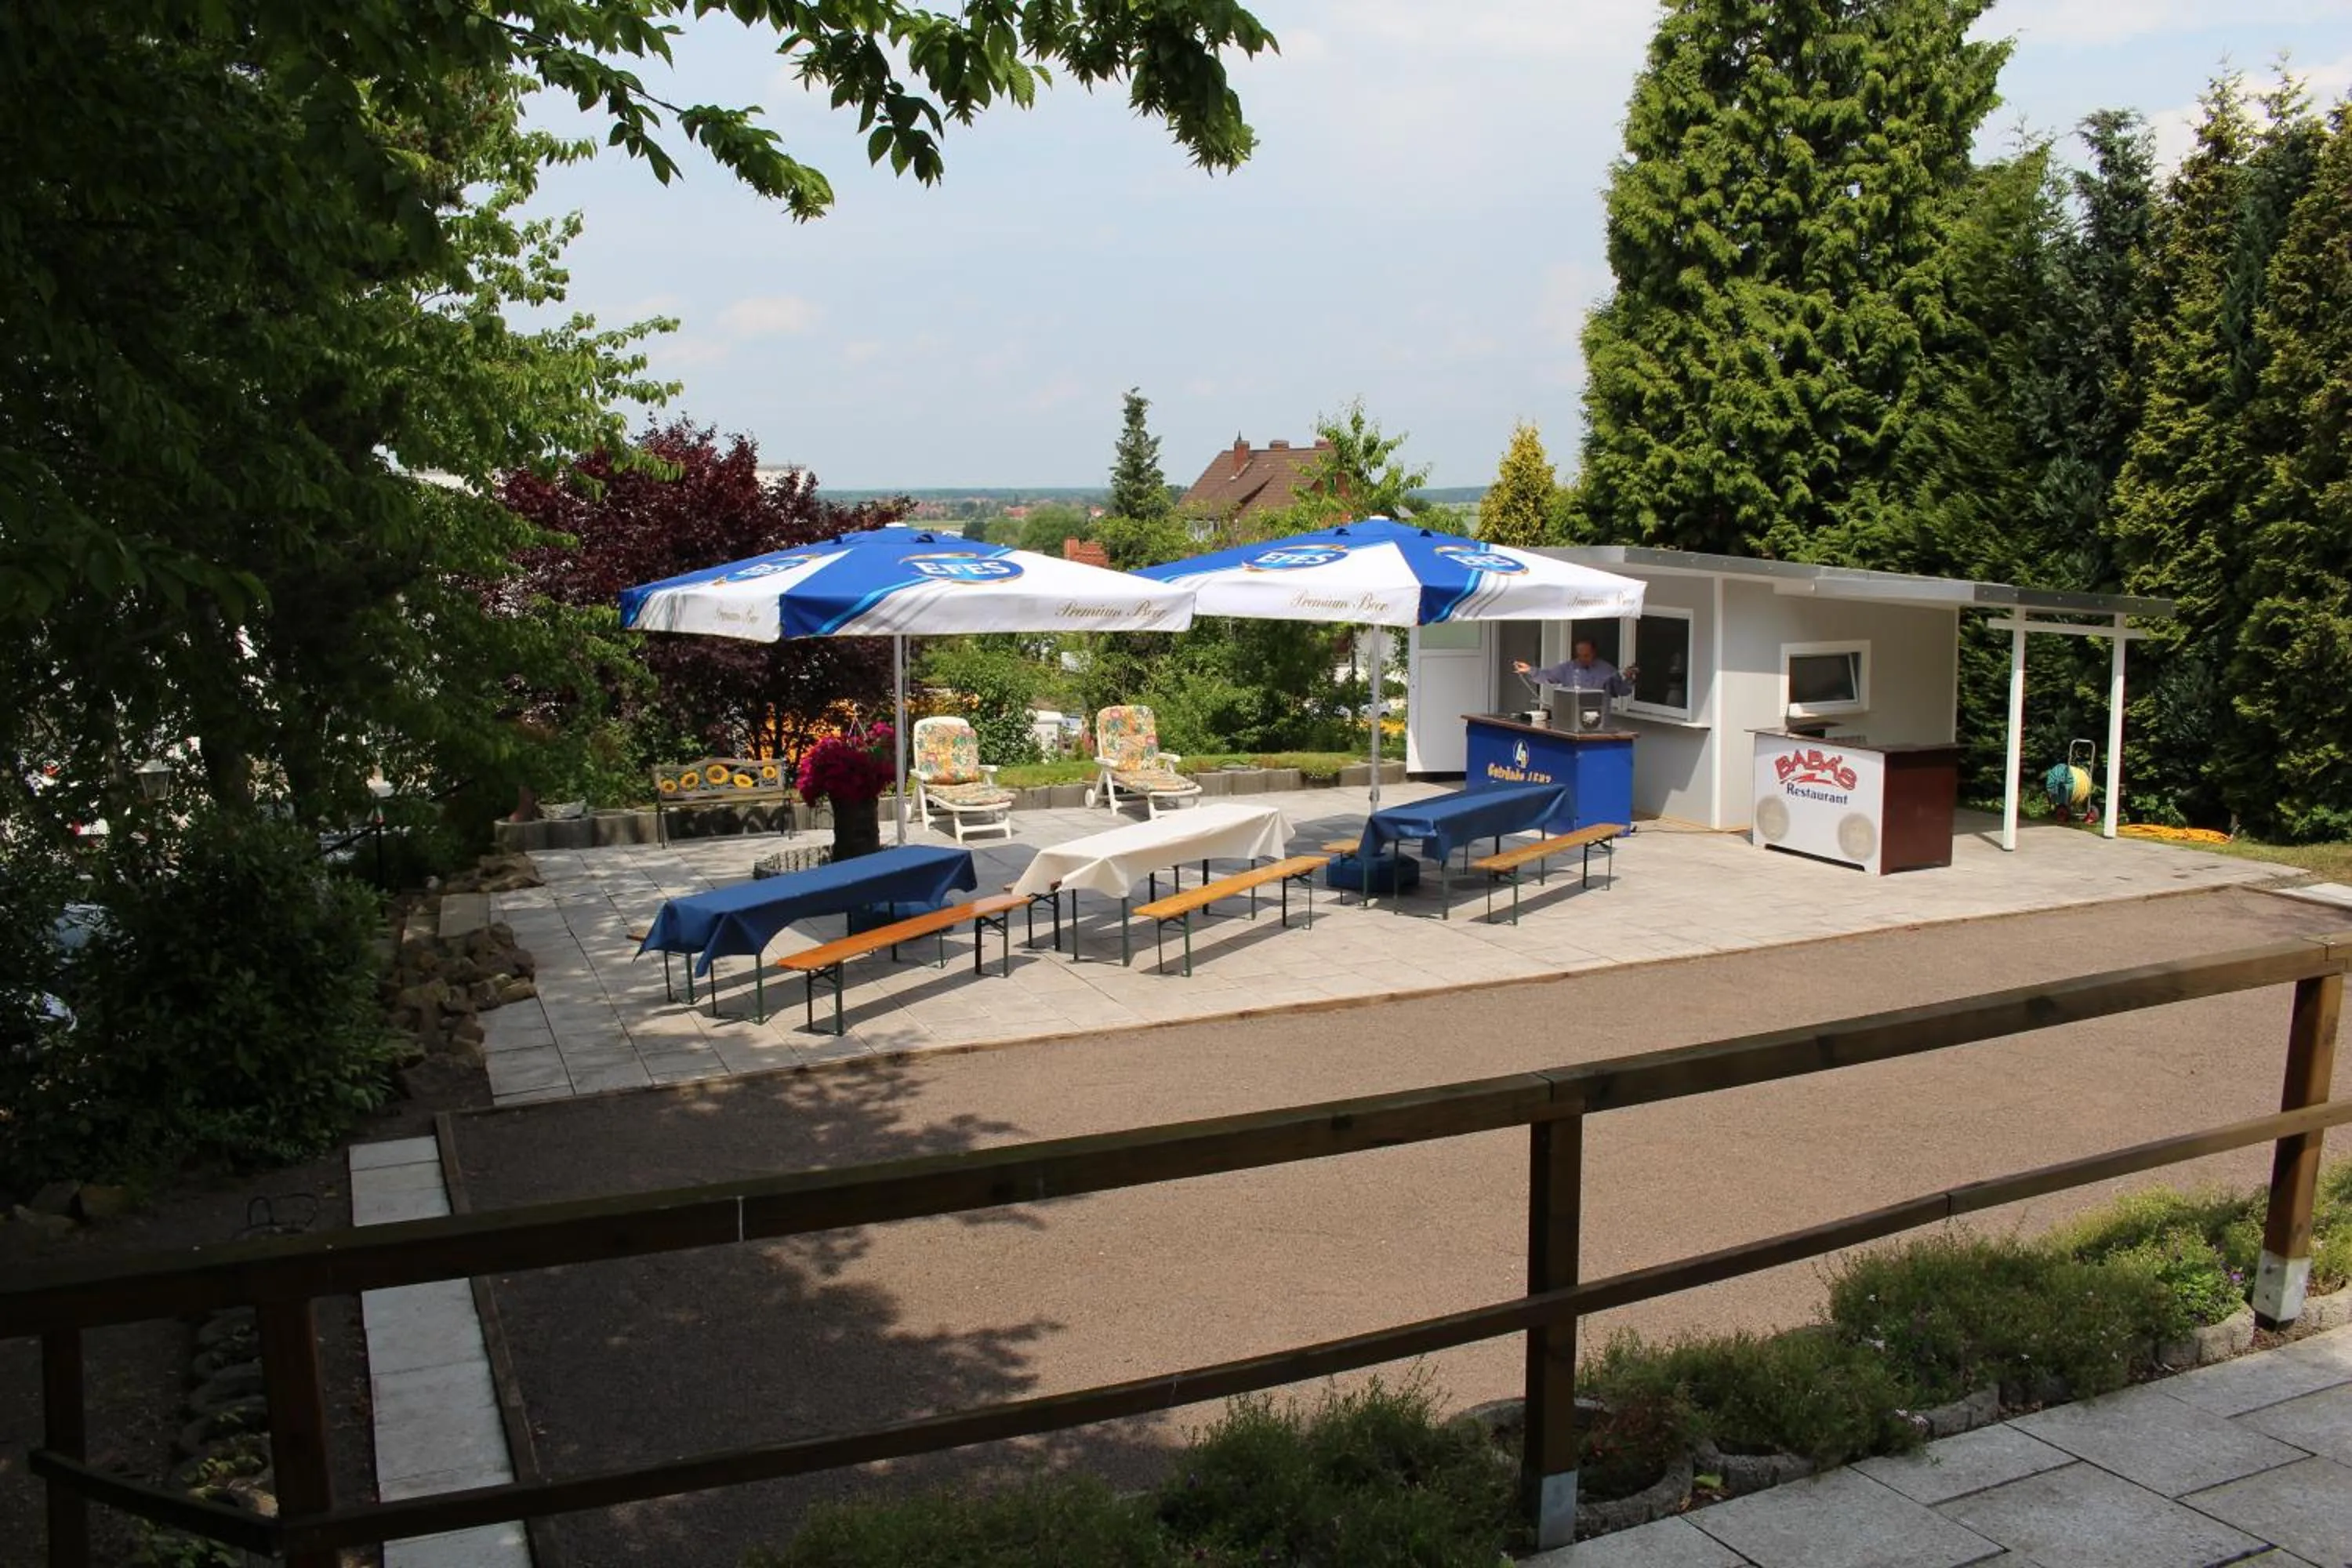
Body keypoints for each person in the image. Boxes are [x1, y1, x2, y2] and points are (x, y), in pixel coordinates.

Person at [1515, 638, 1638, 699]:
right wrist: (1530, 670)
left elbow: (1622, 691)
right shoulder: (1568, 668)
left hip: (1598, 718)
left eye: (1586, 656)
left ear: (1594, 653)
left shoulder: (1607, 670)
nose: (1582, 659)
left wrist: (1628, 679)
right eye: (1579, 656)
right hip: (1571, 716)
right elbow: (1548, 676)